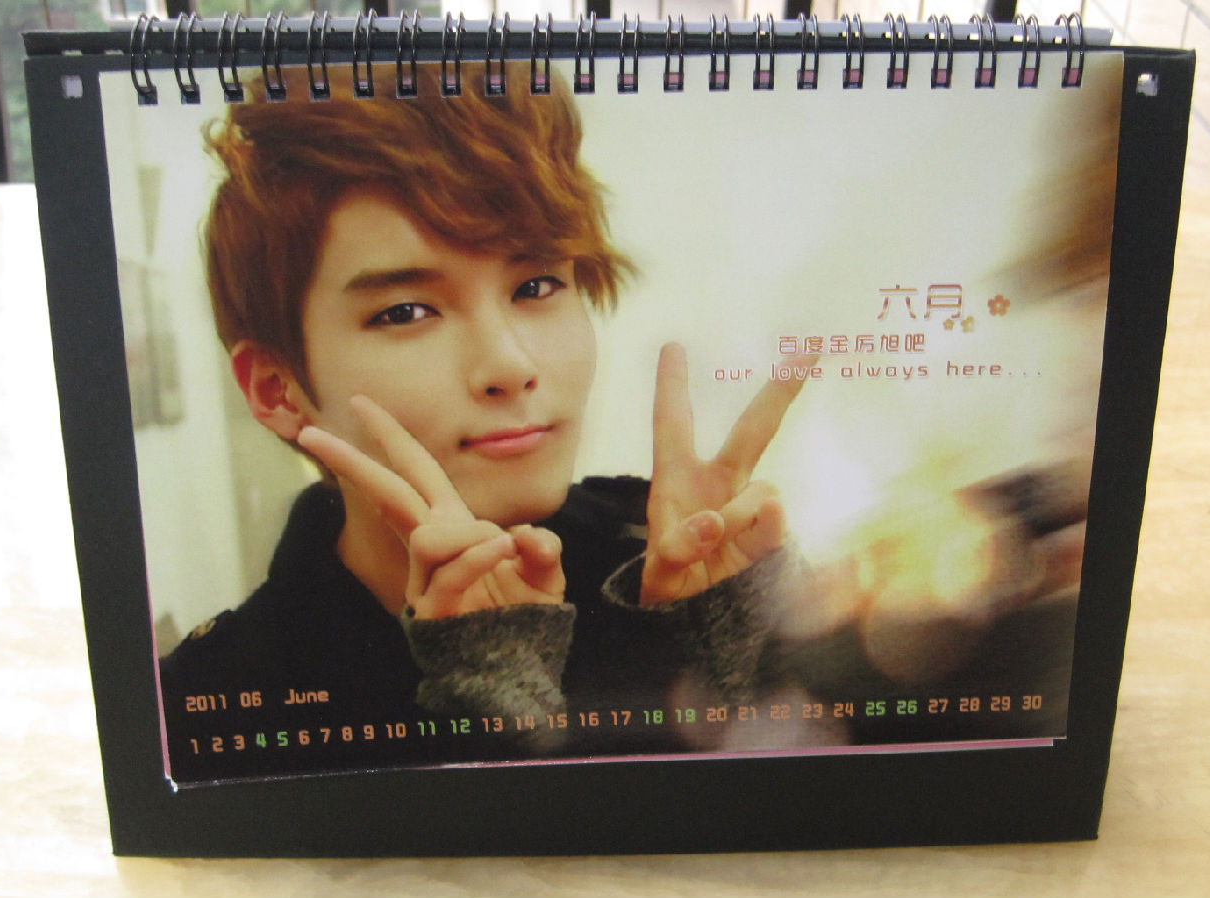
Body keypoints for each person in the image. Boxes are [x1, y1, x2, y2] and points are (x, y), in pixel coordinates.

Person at [158, 62, 812, 783]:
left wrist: (736, 646)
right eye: (406, 311)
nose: (509, 364)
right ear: (277, 389)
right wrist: (490, 697)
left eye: (536, 285)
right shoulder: (202, 708)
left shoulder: (683, 566)